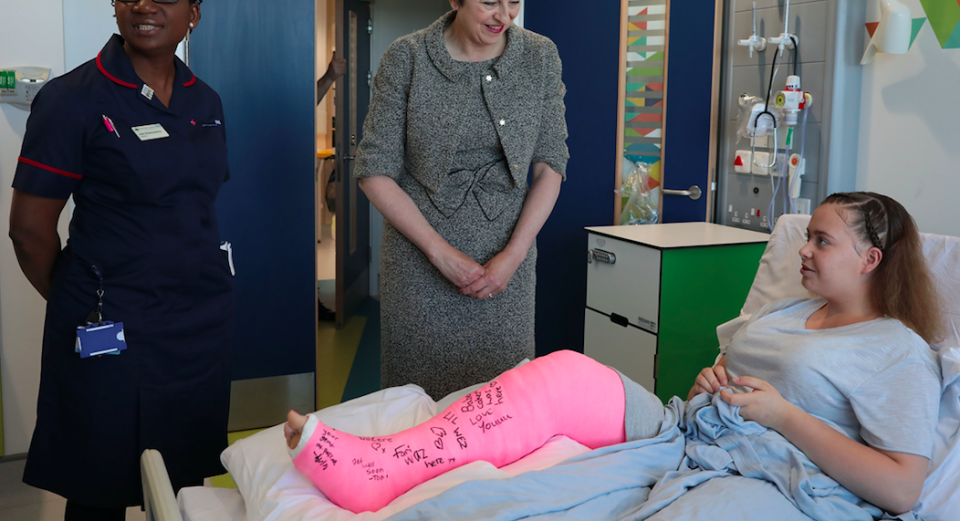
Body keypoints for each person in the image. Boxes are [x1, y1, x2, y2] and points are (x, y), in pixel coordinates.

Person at [284, 192, 942, 517]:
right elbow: (725, 380)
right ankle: (385, 462)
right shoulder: (794, 308)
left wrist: (780, 417)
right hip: (692, 425)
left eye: (821, 242)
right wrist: (713, 380)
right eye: (808, 237)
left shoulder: (895, 351)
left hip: (775, 478)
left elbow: (903, 487)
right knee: (564, 373)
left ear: (870, 259)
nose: (803, 249)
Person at [9, 0, 234, 520]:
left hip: (194, 318)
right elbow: (30, 232)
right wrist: (77, 299)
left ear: (193, 13)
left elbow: (199, 204)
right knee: (99, 477)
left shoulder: (203, 101)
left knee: (186, 474)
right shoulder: (74, 99)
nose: (145, 5)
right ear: (115, 9)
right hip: (110, 318)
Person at [353, 0, 568, 401]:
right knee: (417, 406)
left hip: (508, 267)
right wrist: (440, 254)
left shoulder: (540, 57)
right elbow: (374, 170)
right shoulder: (406, 58)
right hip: (421, 266)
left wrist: (512, 256)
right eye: (490, 2)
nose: (504, 17)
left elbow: (551, 163)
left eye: (514, 2)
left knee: (505, 405)